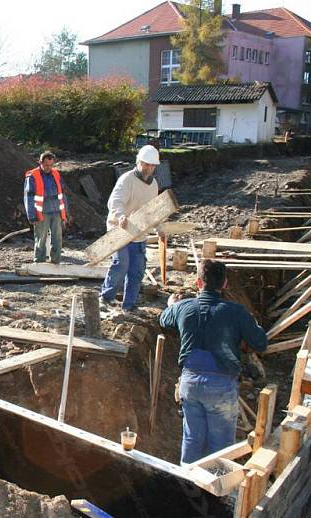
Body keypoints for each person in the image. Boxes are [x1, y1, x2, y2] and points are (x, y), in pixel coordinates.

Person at [159, 260, 267, 465]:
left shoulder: (184, 307)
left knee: (192, 440)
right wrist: (250, 323)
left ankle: (188, 487)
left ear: (199, 283)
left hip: (189, 384)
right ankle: (216, 493)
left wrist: (173, 306)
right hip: (221, 387)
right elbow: (260, 342)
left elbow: (164, 320)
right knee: (221, 449)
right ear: (225, 283)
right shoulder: (236, 312)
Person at [99, 144, 162, 312]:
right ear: (138, 162)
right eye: (145, 164)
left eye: (152, 165)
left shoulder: (154, 184)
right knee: (121, 264)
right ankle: (106, 297)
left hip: (139, 233)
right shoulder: (127, 179)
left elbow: (153, 210)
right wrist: (120, 215)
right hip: (119, 229)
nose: (149, 168)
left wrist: (159, 228)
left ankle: (129, 305)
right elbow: (115, 201)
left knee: (137, 270)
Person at [24, 151, 69, 264]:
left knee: (57, 239)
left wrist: (65, 213)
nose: (48, 168)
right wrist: (32, 215)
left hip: (56, 212)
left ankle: (56, 262)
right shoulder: (32, 176)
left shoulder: (56, 174)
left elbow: (62, 194)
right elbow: (28, 197)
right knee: (41, 239)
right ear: (40, 163)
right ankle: (39, 262)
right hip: (41, 213)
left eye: (51, 165)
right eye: (46, 165)